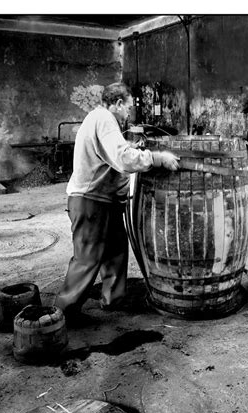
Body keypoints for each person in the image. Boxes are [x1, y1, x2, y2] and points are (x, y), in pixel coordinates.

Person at [55, 82, 179, 322]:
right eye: (128, 108)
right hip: (90, 201)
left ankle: (113, 299)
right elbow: (122, 159)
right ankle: (60, 315)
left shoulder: (99, 120)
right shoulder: (103, 118)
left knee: (116, 250)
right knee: (87, 257)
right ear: (119, 103)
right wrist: (156, 157)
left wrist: (132, 148)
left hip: (106, 201)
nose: (128, 114)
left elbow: (111, 153)